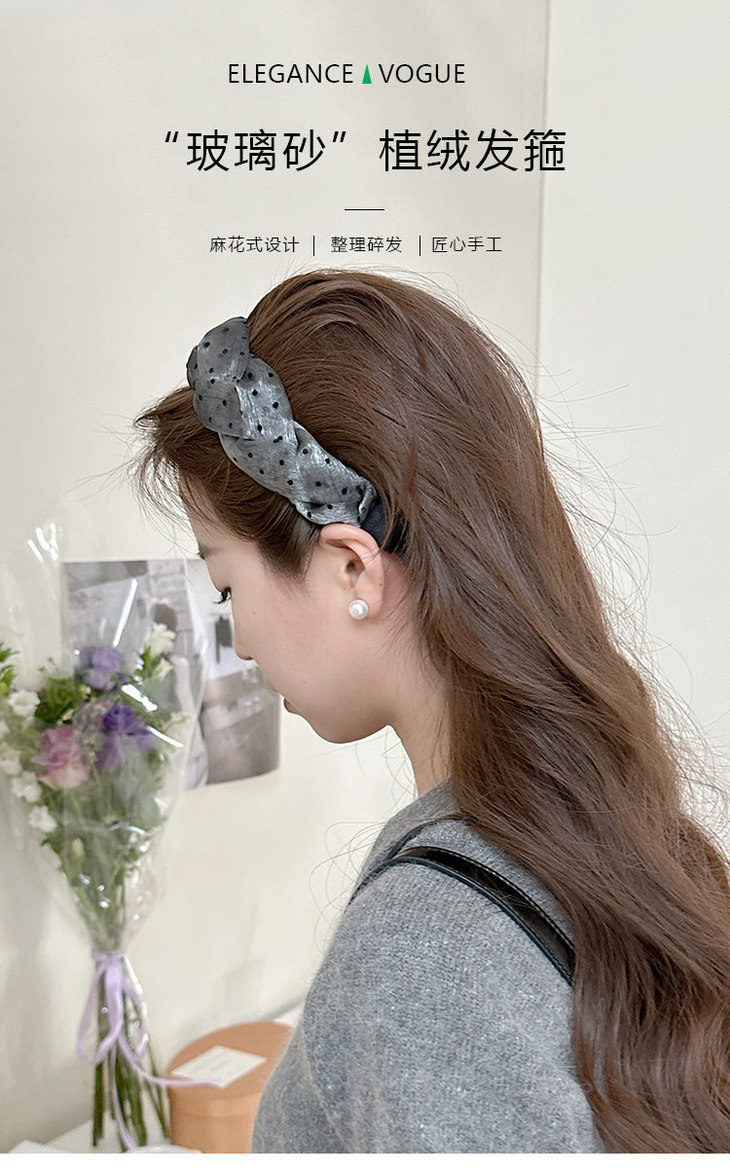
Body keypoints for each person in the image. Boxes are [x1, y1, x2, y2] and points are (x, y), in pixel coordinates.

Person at [133, 268, 730, 1153]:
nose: (241, 639)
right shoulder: (620, 834)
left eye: (227, 588)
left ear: (352, 567)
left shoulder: (425, 951)